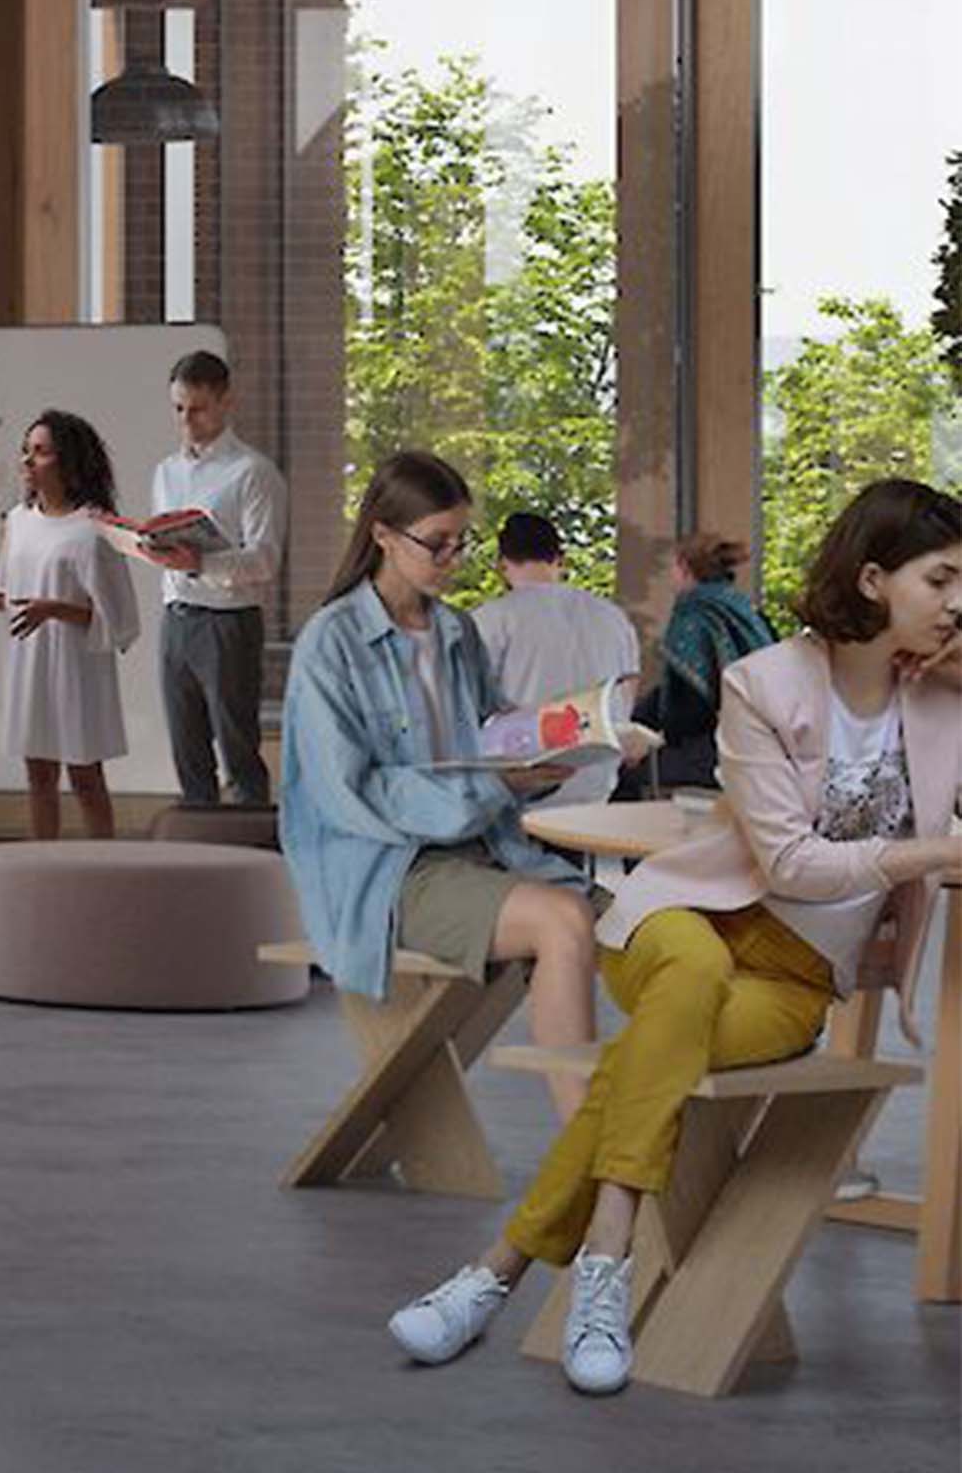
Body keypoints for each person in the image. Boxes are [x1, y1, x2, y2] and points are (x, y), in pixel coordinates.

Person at [382, 476, 962, 1397]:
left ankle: (493, 1275)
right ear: (872, 580)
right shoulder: (765, 682)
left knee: (646, 1059)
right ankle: (605, 1255)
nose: (956, 602)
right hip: (690, 916)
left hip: (801, 972)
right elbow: (792, 866)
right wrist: (933, 847)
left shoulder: (942, 700)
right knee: (684, 984)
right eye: (940, 580)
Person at [275, 451, 602, 1108]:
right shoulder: (329, 643)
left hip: (483, 852)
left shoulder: (456, 631)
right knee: (563, 922)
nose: (453, 559)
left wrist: (548, 743)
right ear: (383, 536)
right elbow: (352, 795)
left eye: (462, 542)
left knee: (648, 925)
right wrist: (492, 789)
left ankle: (643, 1140)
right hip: (387, 870)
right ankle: (594, 1174)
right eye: (437, 544)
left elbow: (488, 735)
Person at [0, 410, 146, 840]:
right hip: (29, 664)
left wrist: (56, 609)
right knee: (38, 775)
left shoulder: (95, 529)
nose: (27, 461)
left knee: (86, 777)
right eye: (26, 451)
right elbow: (16, 600)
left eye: (40, 452)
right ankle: (44, 865)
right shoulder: (19, 520)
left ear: (68, 463)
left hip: (76, 668)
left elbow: (120, 620)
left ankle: (103, 869)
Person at [132, 348, 280, 809]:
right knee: (186, 746)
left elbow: (264, 560)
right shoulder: (166, 471)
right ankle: (199, 855)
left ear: (225, 402)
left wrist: (198, 563)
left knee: (237, 747)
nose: (186, 420)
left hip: (228, 623)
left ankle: (253, 852)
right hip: (176, 617)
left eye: (197, 408)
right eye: (179, 408)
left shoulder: (253, 472)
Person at [641, 530, 779, 792]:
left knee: (620, 774)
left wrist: (642, 728)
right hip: (762, 747)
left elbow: (687, 707)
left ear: (684, 567)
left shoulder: (692, 614)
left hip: (714, 753)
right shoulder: (745, 609)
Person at [473, 510, 642, 717]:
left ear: (502, 563)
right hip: (604, 744)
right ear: (560, 559)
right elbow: (629, 685)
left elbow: (471, 698)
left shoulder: (490, 619)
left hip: (525, 747)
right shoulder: (613, 616)